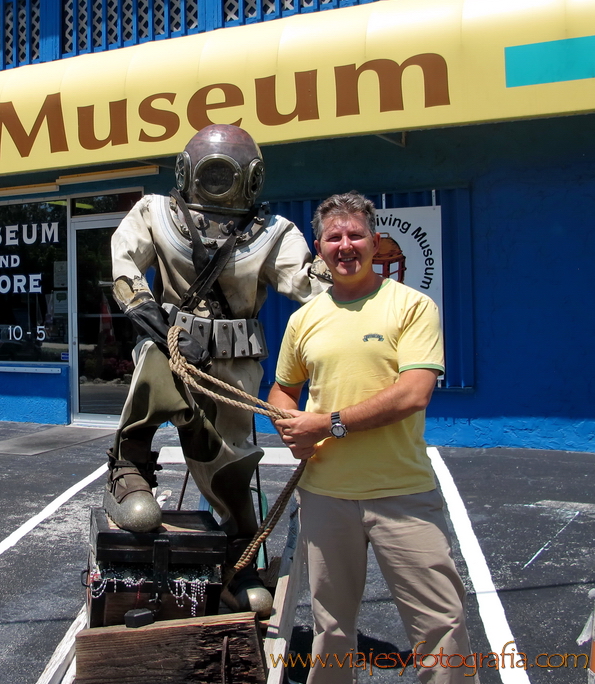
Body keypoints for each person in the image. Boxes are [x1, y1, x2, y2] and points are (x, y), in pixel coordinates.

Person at [104, 124, 325, 611]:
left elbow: (307, 285)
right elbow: (124, 257)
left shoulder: (272, 233)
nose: (218, 181)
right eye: (212, 171)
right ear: (187, 172)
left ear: (252, 179)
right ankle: (128, 471)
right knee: (153, 374)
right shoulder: (156, 213)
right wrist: (137, 299)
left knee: (232, 460)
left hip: (235, 366)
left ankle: (239, 558)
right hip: (172, 344)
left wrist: (341, 270)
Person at [268, 192, 472, 683]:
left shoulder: (413, 307)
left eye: (355, 234)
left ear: (375, 242)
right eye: (334, 237)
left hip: (401, 493)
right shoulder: (304, 319)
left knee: (440, 627)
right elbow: (281, 389)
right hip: (325, 496)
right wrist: (289, 424)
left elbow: (413, 394)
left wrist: (328, 423)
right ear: (318, 247)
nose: (345, 246)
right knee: (331, 629)